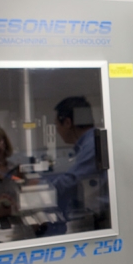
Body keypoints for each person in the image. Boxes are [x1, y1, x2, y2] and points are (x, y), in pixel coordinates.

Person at [45, 96, 111, 232]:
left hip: (105, 218)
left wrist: (43, 190)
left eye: (57, 125)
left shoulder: (93, 145)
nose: (57, 130)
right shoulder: (90, 142)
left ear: (67, 123)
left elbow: (71, 181)